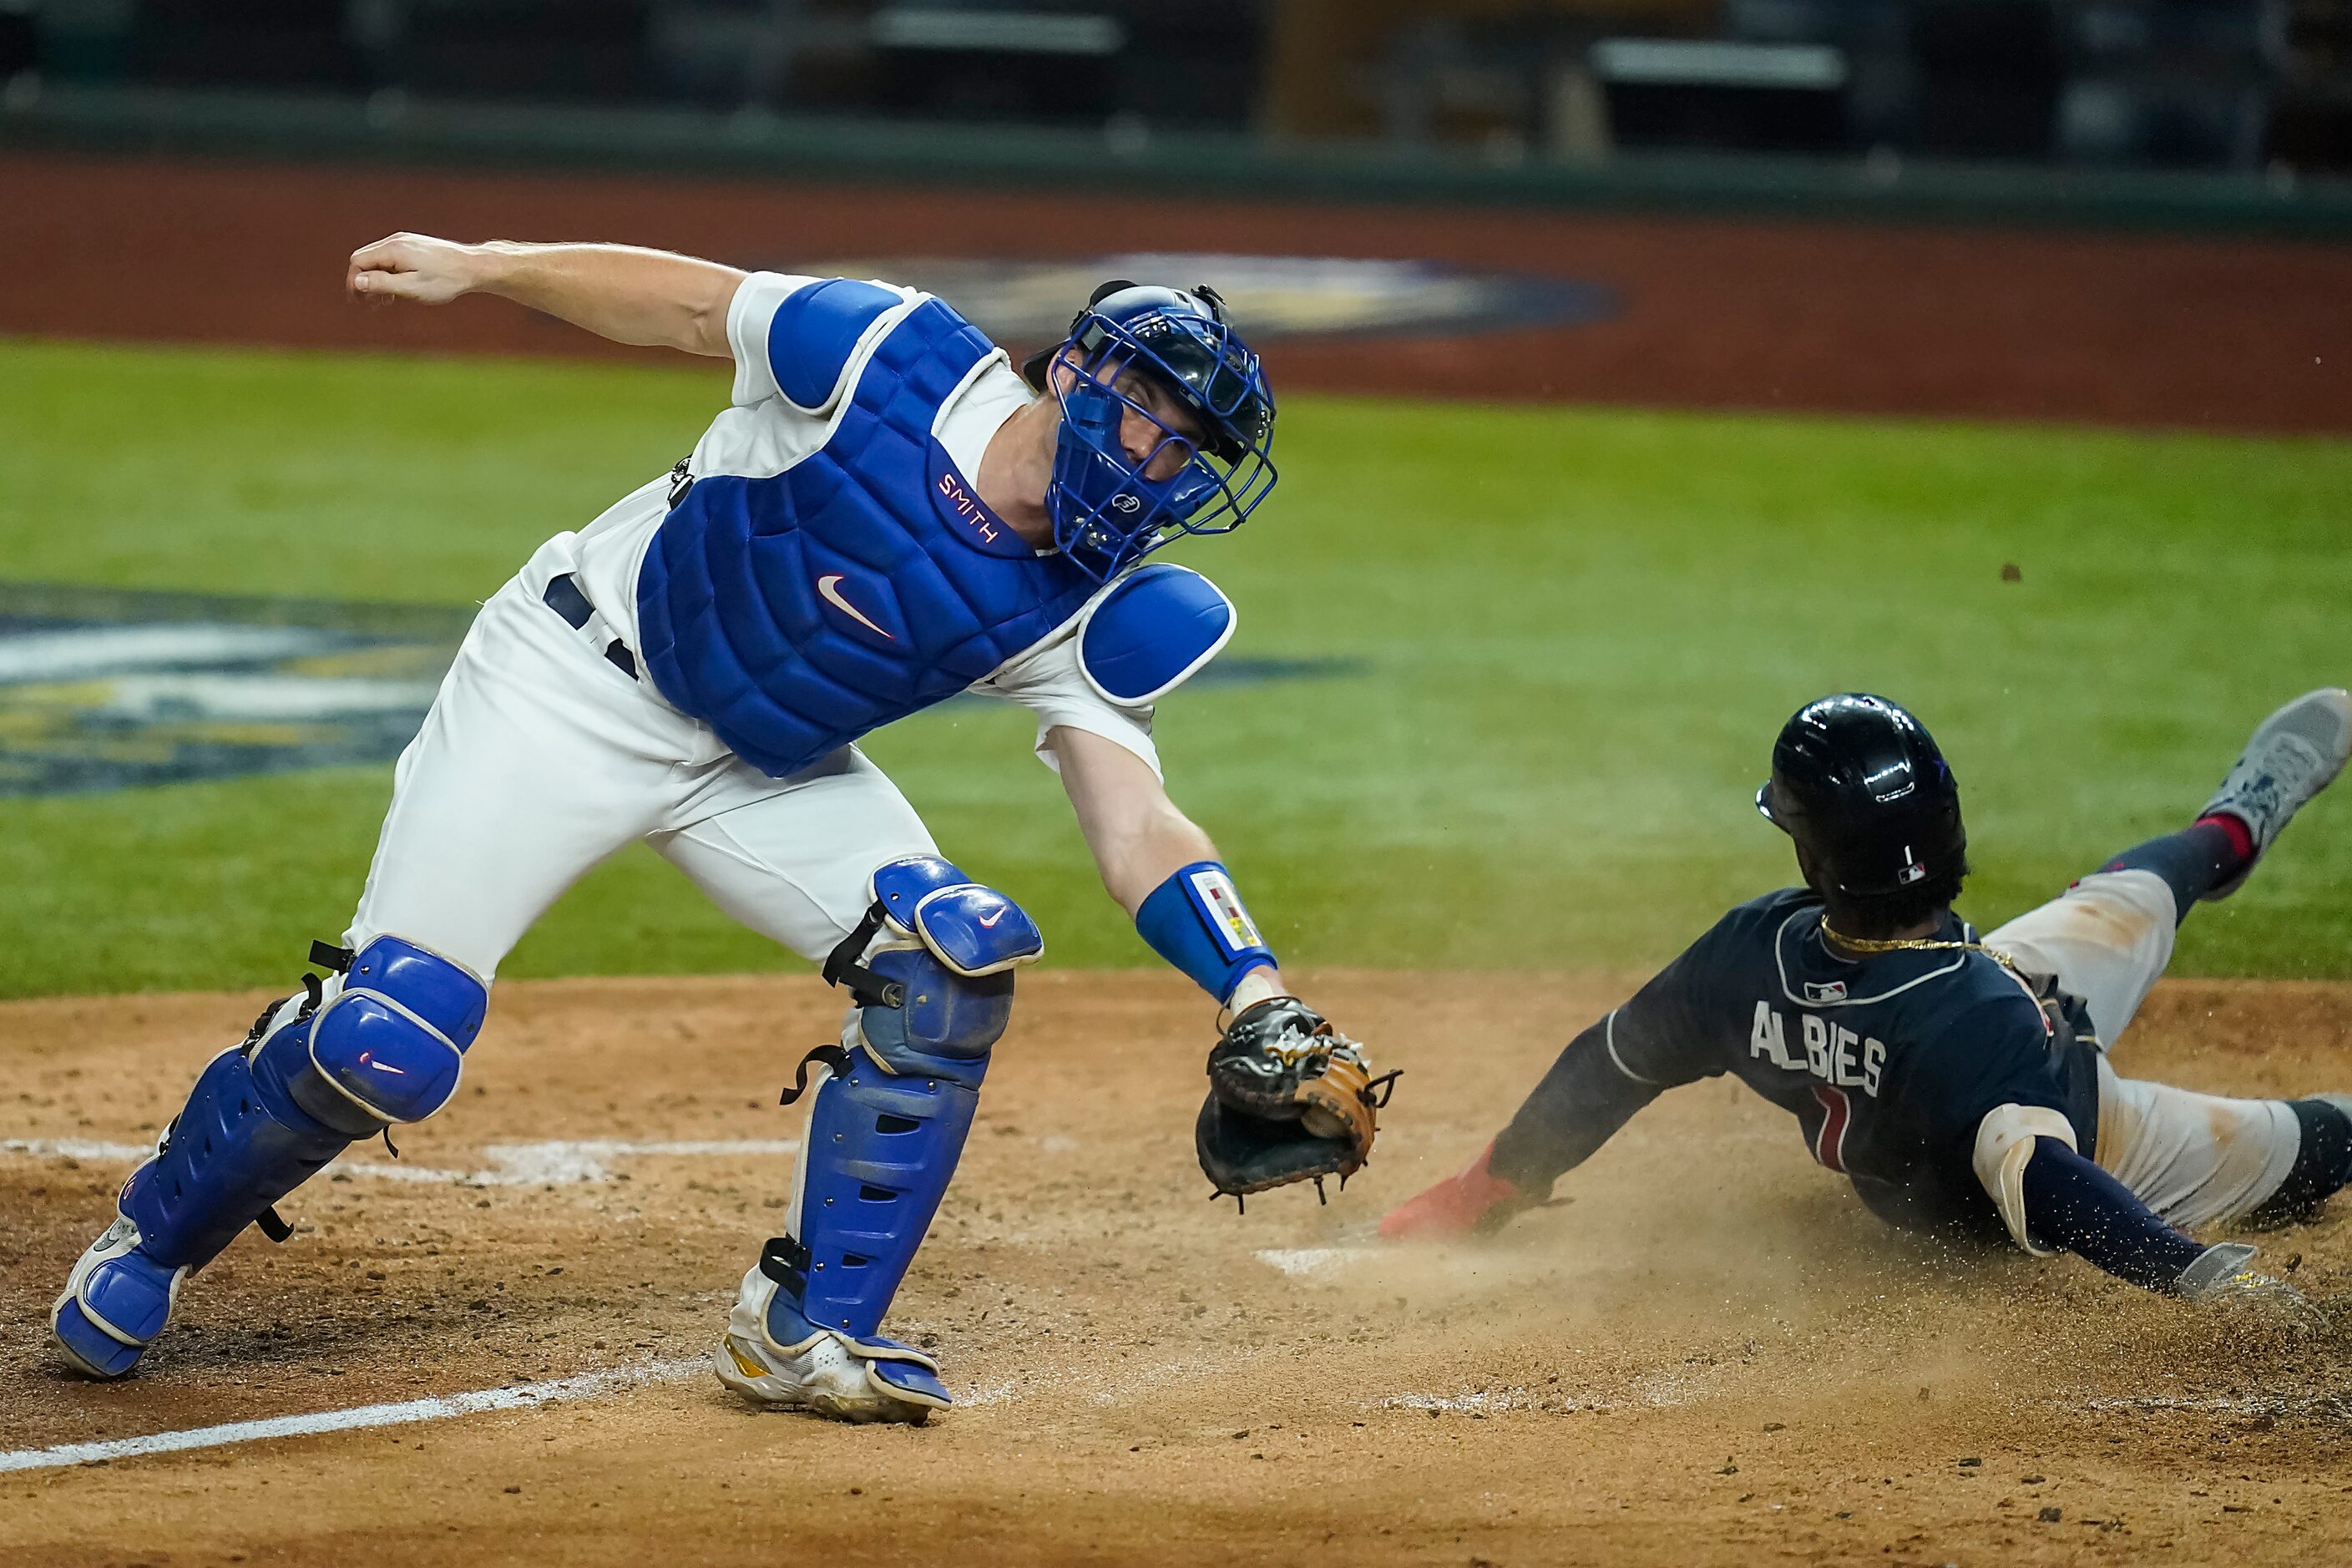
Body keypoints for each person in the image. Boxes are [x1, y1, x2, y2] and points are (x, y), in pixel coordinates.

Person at [52, 237, 1389, 1423]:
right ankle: (152, 1240)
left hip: (770, 767)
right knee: (385, 1040)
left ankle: (805, 1333)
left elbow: (1133, 819)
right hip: (572, 682)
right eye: (1164, 426)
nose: (1169, 472)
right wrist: (484, 265)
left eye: (1194, 454)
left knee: (951, 955)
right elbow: (690, 306)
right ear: (1087, 380)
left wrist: (1254, 993)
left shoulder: (1098, 606)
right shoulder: (882, 354)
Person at [1383, 688, 2352, 1314]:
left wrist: (1492, 1182)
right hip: (2100, 1128)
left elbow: (1614, 1062)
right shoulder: (1963, 1019)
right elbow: (2048, 1181)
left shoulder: (1746, 955)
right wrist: (2192, 1271)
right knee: (2314, 1140)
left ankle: (2237, 819)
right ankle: (2228, 830)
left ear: (1813, 854)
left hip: (1996, 983)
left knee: (2127, 898)